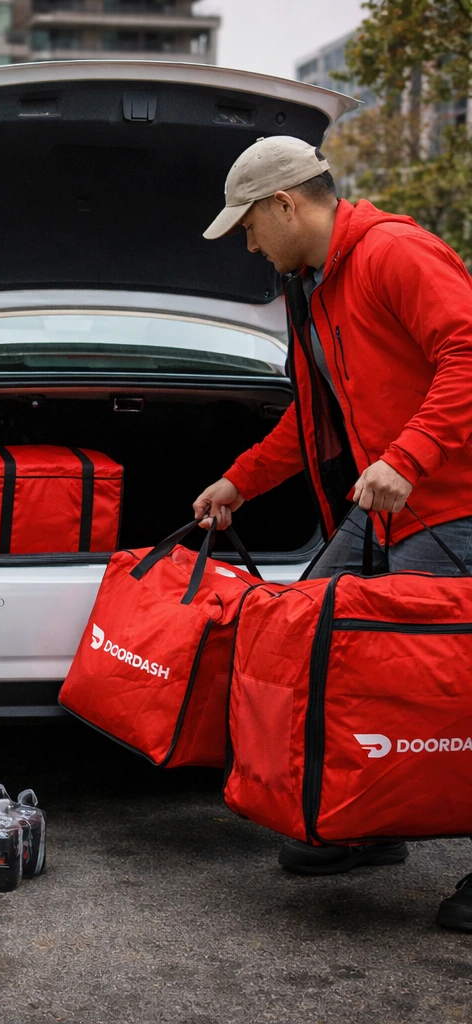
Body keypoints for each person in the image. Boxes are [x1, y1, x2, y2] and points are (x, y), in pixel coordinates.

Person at [193, 136, 472, 932]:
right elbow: (313, 420)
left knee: (451, 687)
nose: (248, 245)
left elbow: (468, 354)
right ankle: (369, 825)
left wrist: (408, 457)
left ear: (285, 204)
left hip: (452, 502)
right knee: (316, 627)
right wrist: (240, 481)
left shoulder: (394, 254)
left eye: (249, 226)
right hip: (388, 506)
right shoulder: (313, 287)